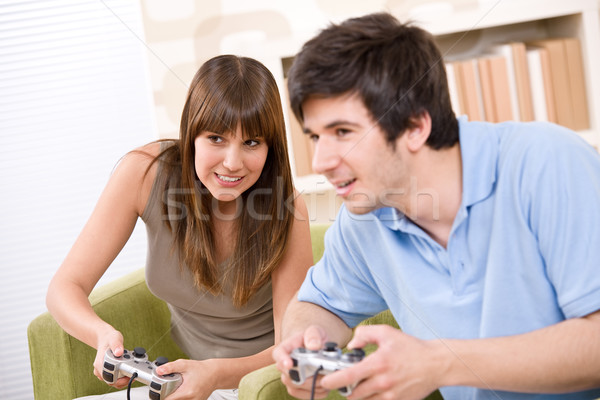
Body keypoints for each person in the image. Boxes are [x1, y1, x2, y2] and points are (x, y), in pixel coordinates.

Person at [272, 12, 600, 400]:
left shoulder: (547, 163)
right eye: (315, 136)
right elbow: (318, 305)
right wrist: (305, 346)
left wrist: (437, 363)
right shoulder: (364, 216)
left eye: (343, 132)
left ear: (415, 126)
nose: (320, 162)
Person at [46, 54, 314, 400]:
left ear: (270, 147)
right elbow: (65, 286)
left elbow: (292, 351)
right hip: (183, 380)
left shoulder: (287, 209)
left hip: (260, 385)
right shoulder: (144, 174)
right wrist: (100, 335)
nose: (232, 163)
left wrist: (216, 375)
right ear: (190, 134)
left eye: (251, 143)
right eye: (216, 138)